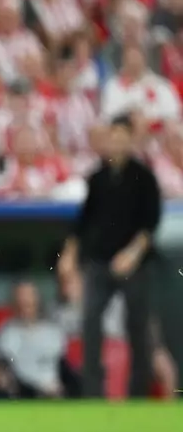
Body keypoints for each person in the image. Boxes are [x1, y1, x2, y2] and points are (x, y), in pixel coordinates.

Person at [57, 116, 161, 398]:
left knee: (137, 327)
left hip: (134, 264)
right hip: (99, 261)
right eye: (113, 138)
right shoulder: (98, 177)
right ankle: (93, 394)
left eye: (122, 138)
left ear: (131, 140)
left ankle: (139, 393)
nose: (117, 143)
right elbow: (83, 221)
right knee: (90, 322)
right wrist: (69, 254)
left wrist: (132, 254)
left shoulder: (144, 177)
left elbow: (150, 223)